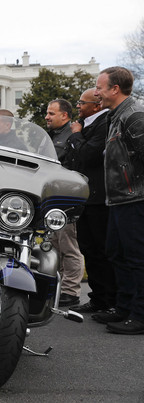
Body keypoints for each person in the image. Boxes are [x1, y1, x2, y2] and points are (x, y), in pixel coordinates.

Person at [91, 66, 144, 335]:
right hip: (118, 200)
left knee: (137, 258)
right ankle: (123, 307)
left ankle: (140, 315)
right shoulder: (115, 116)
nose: (96, 92)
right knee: (116, 254)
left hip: (135, 199)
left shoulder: (135, 115)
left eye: (100, 87)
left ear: (115, 89)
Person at [66, 89, 115, 313]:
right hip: (84, 198)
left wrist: (76, 134)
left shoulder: (104, 124)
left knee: (101, 251)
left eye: (81, 102)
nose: (77, 106)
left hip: (98, 199)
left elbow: (89, 155)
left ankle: (109, 300)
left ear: (96, 106)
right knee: (88, 249)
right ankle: (98, 298)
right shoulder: (86, 124)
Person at [45, 99, 85, 307]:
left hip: (68, 199)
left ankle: (71, 291)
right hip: (52, 198)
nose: (47, 117)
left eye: (52, 113)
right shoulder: (49, 136)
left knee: (68, 245)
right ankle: (58, 287)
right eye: (47, 113)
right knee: (54, 245)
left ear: (65, 115)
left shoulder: (73, 134)